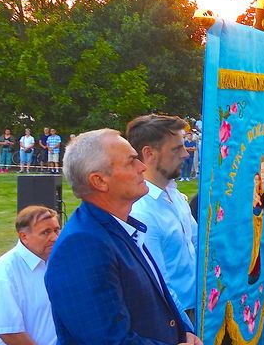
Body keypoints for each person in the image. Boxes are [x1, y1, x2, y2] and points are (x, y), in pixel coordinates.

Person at [44, 129, 200, 344]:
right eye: (131, 162)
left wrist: (183, 333)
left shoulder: (119, 227)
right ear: (99, 181)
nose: (142, 167)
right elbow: (105, 340)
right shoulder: (82, 245)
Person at [126, 114, 199, 321]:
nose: (185, 154)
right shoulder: (141, 211)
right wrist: (186, 329)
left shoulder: (173, 194)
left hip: (196, 308)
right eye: (176, 148)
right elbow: (159, 285)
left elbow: (197, 244)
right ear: (149, 153)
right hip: (175, 317)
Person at [0, 206, 61, 345]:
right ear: (24, 236)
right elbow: (9, 332)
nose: (54, 238)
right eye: (45, 232)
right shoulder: (5, 272)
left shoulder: (60, 261)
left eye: (56, 230)